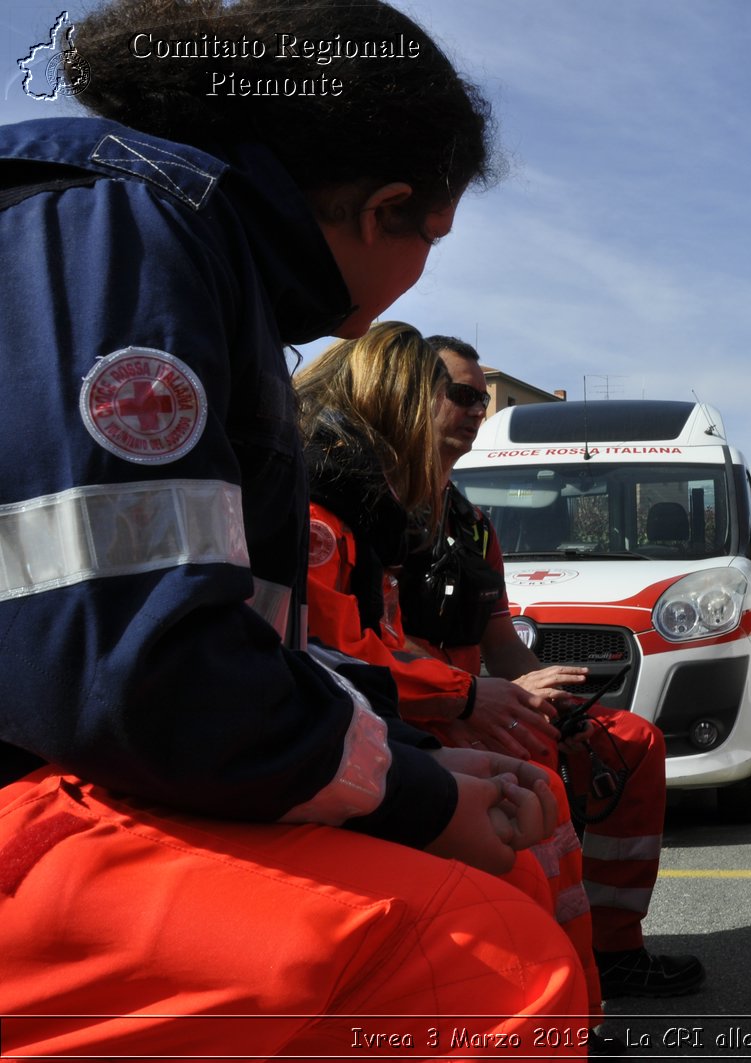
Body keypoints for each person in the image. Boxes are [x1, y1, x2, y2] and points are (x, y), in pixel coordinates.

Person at [0, 1, 586, 1058]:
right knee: (488, 960)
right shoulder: (127, 235)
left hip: (93, 760)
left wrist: (405, 758)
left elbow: (219, 646)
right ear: (385, 209)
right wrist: (408, 785)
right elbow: (141, 668)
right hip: (50, 788)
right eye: (433, 239)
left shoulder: (155, 239)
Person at [408, 335, 705, 999]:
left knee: (631, 743)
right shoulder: (376, 511)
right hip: (417, 713)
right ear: (407, 392)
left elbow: (502, 643)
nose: (472, 411)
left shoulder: (473, 524)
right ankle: (557, 988)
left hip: (477, 700)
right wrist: (479, 698)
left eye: (480, 402)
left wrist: (541, 692)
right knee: (539, 778)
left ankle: (615, 948)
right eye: (458, 395)